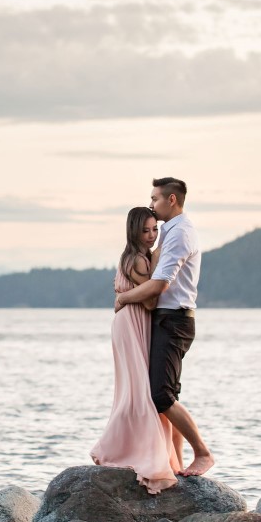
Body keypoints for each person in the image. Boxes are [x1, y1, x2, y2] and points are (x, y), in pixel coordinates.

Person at [115, 177, 214, 477]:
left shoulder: (179, 234)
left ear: (172, 200)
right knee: (167, 395)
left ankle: (203, 453)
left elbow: (159, 285)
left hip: (174, 319)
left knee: (161, 396)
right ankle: (177, 463)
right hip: (167, 319)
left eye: (155, 199)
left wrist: (123, 297)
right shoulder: (168, 234)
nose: (152, 204)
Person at [91, 207, 181, 494]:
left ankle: (157, 454)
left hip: (131, 323)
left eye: (155, 229)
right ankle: (131, 450)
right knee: (139, 390)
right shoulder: (138, 260)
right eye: (146, 230)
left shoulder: (132, 257)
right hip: (133, 325)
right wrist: (156, 260)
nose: (152, 235)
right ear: (134, 231)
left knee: (137, 389)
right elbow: (152, 302)